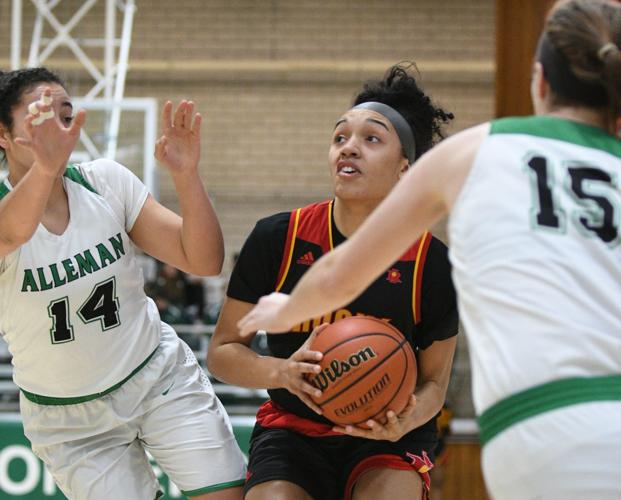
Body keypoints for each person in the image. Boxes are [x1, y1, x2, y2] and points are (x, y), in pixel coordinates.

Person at [238, 1, 621, 499]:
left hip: (538, 424)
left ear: (539, 81)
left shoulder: (477, 150)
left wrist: (288, 307)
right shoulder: (285, 232)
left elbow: (340, 276)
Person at [208, 63, 458, 500]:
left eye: (371, 138)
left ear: (405, 169)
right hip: (294, 431)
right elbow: (223, 352)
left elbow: (435, 384)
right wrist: (281, 372)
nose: (349, 148)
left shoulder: (431, 262)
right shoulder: (279, 238)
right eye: (340, 137)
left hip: (388, 438)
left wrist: (408, 416)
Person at [0, 67, 246, 500]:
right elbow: (11, 234)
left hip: (157, 379)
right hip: (70, 421)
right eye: (40, 115)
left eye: (65, 113)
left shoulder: (105, 182)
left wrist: (186, 175)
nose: (59, 125)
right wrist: (44, 166)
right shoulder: (7, 217)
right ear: (3, 135)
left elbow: (204, 260)